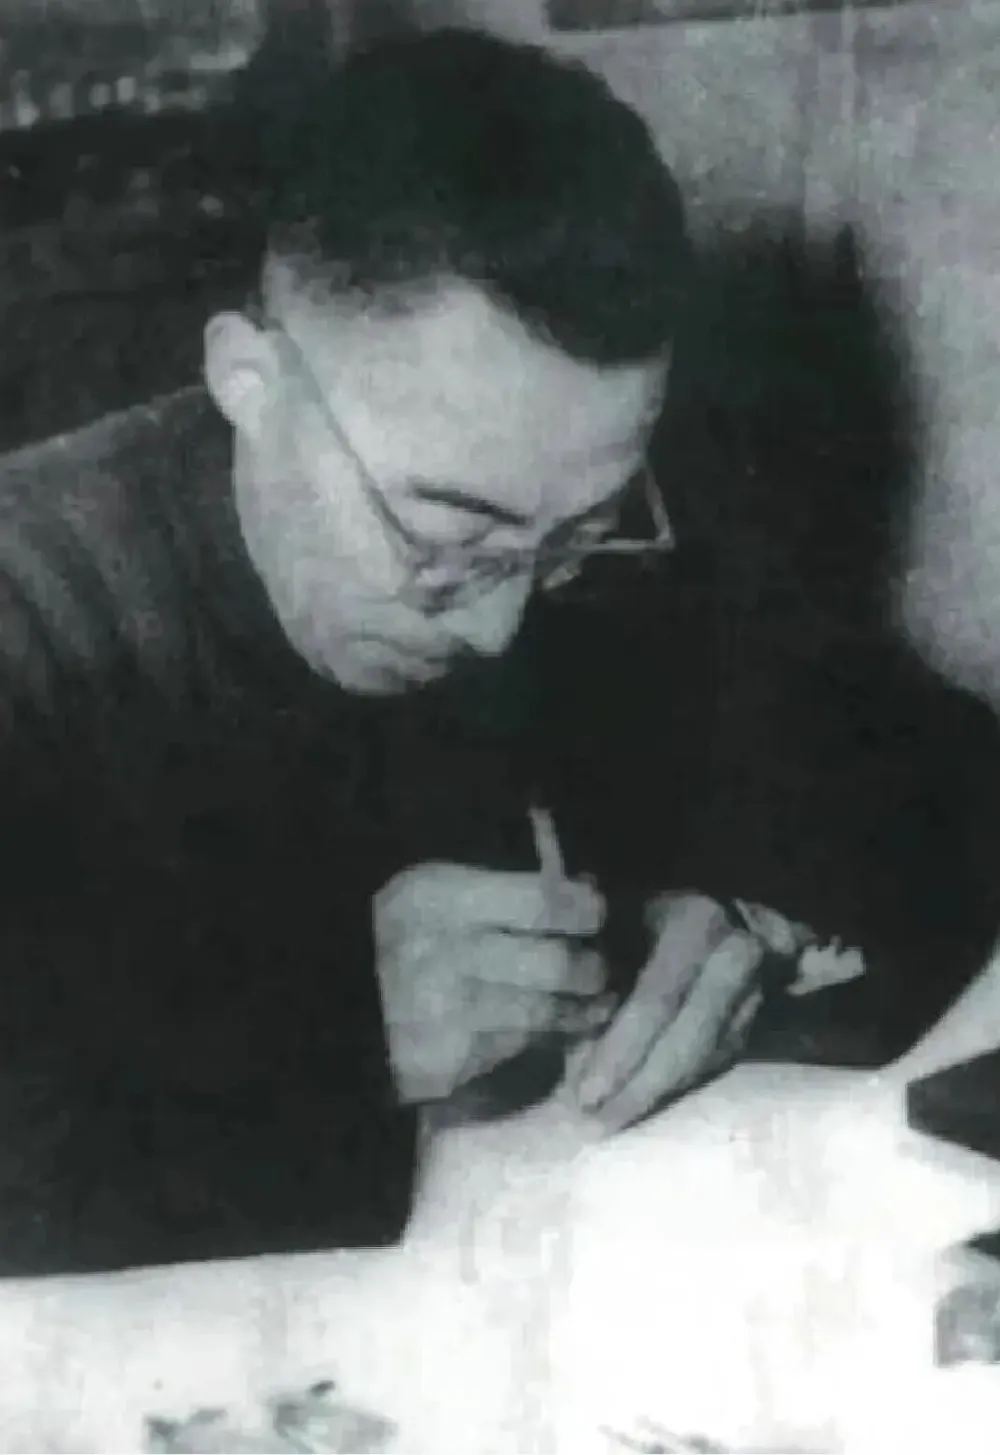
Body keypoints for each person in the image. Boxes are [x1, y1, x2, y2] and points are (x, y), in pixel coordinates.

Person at [0, 26, 996, 1277]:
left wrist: (747, 909)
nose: (499, 625)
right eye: (443, 540)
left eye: (575, 536)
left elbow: (941, 771)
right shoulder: (33, 616)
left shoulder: (552, 511)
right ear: (247, 377)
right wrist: (333, 1033)